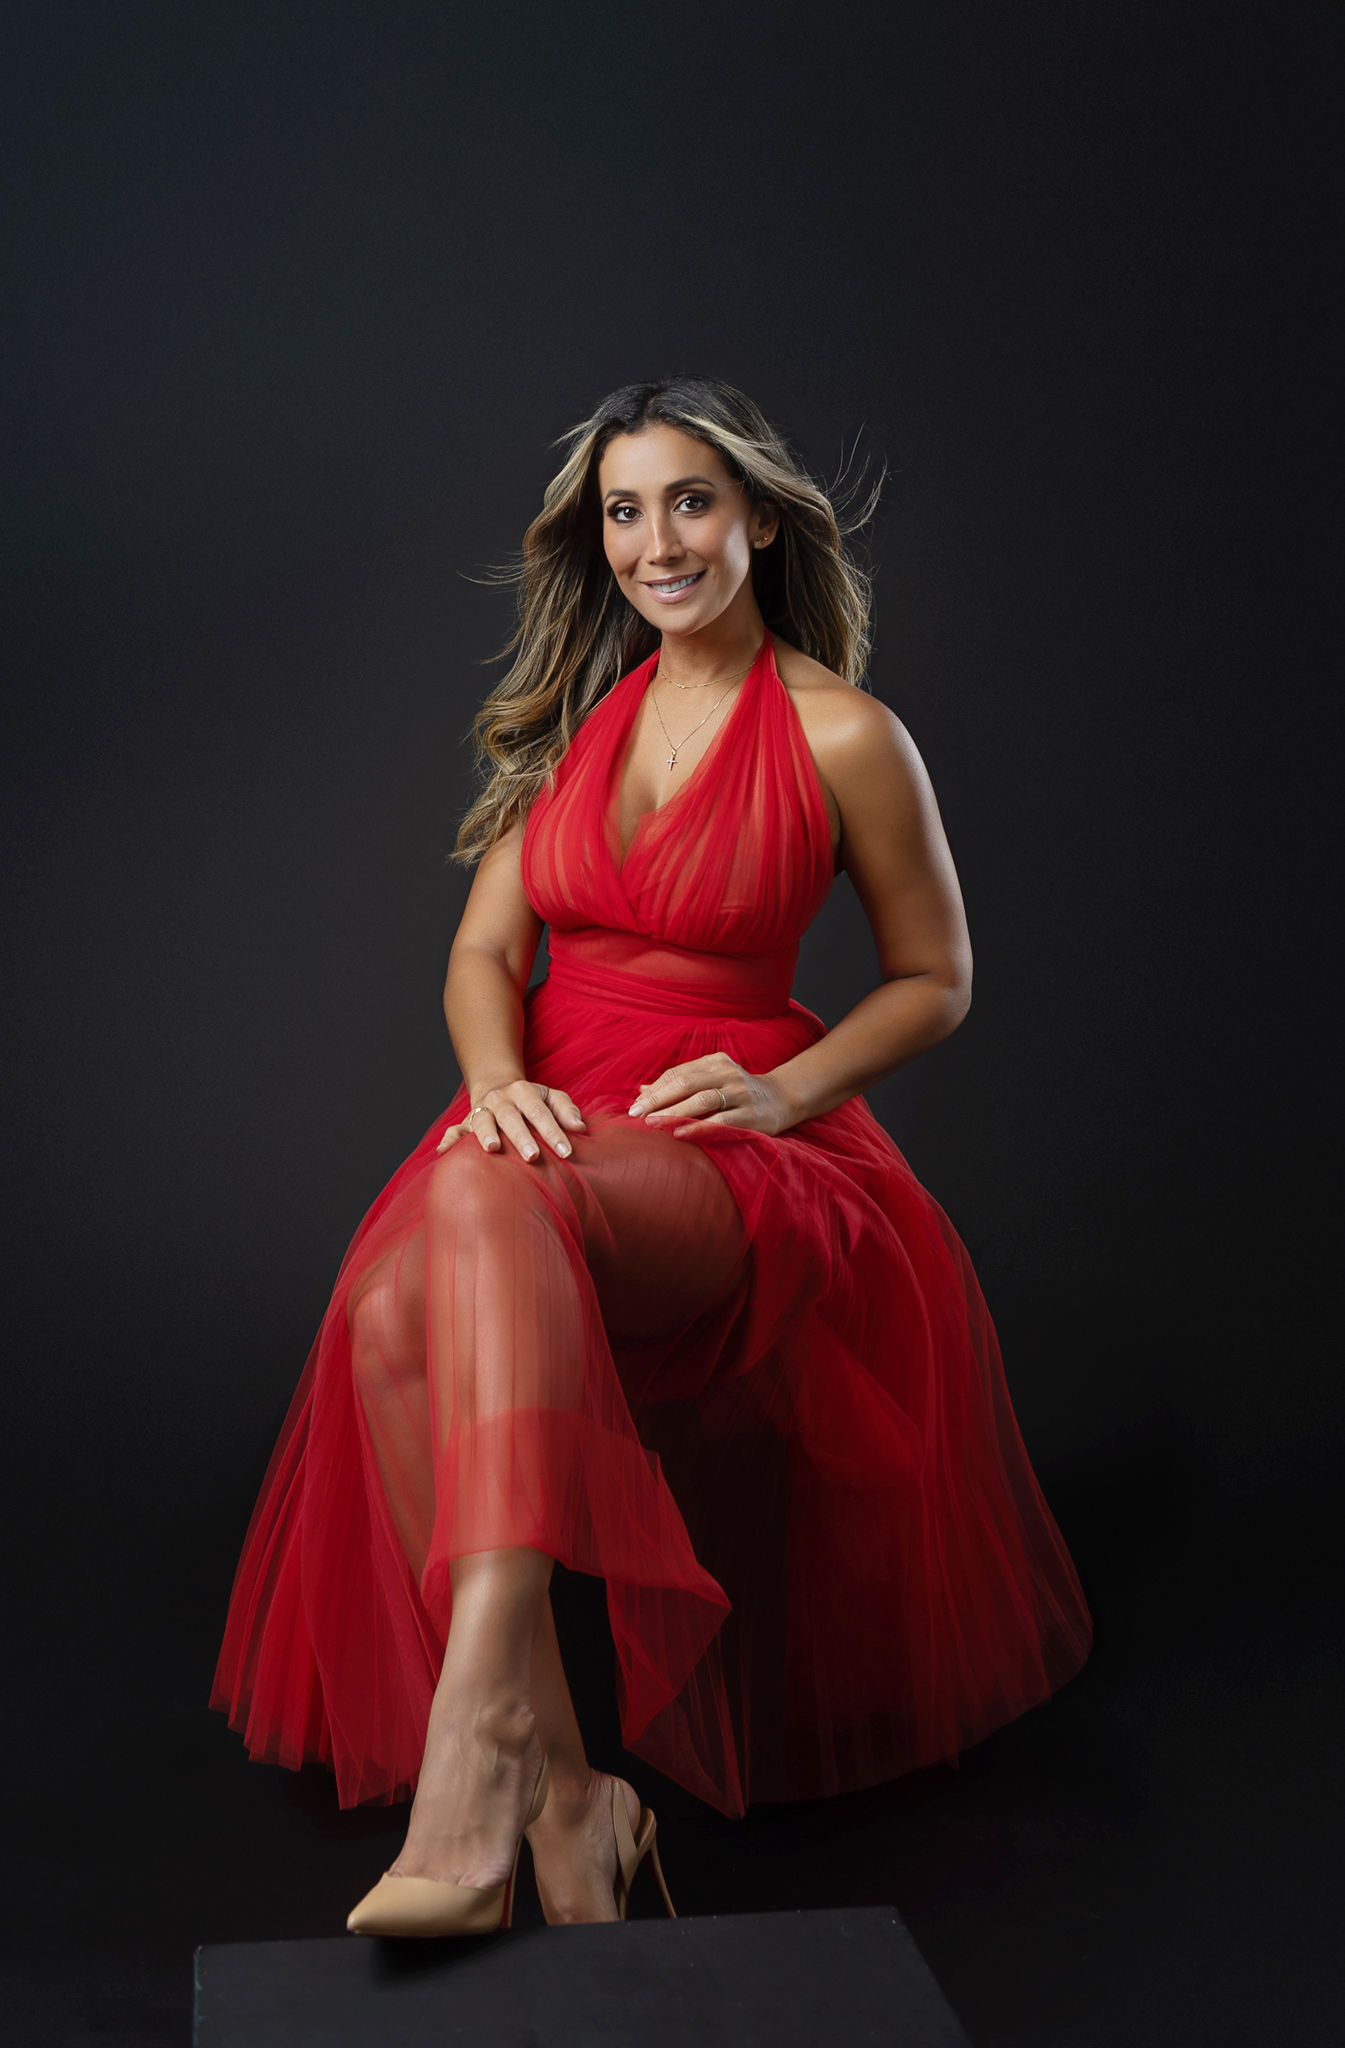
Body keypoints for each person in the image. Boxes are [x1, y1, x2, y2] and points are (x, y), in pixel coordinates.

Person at [212, 375, 1092, 1937]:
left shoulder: (842, 733)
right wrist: (494, 1083)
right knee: (391, 1315)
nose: (653, 540)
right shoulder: (564, 725)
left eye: (688, 501)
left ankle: (479, 1742)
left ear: (757, 516)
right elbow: (484, 956)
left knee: (461, 1227)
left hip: (725, 1141)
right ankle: (569, 1800)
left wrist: (789, 1088)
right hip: (538, 1117)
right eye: (623, 510)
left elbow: (934, 977)